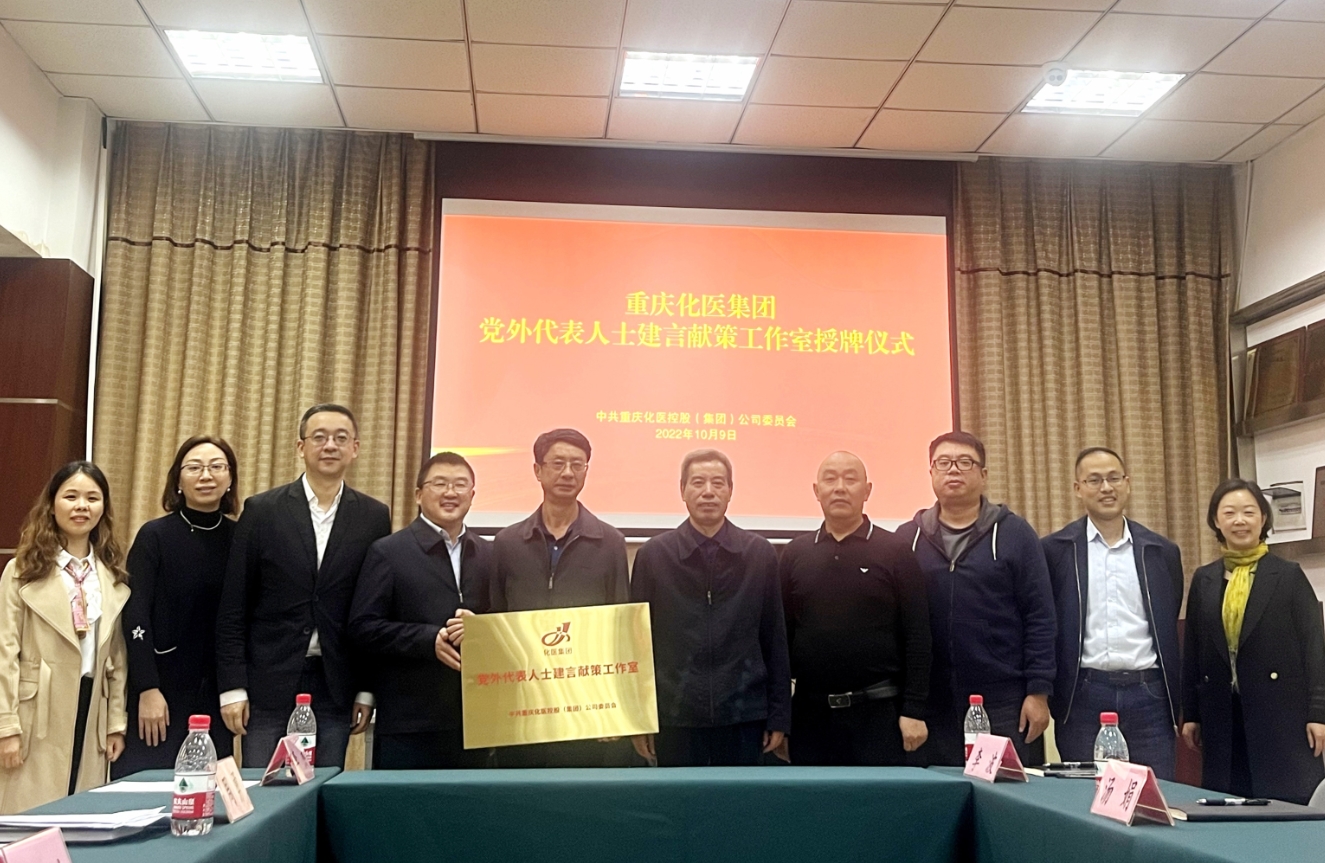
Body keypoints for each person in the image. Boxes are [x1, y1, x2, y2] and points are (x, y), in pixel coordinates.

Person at [215, 404, 391, 769]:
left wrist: (366, 688)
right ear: (301, 447)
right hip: (268, 681)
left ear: (355, 448)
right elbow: (234, 605)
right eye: (320, 437)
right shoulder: (262, 510)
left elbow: (374, 608)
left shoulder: (373, 516)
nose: (330, 445)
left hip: (335, 684)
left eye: (340, 438)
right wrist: (232, 687)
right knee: (262, 788)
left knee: (321, 787)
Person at [898, 431, 1055, 768]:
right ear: (931, 473)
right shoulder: (907, 538)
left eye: (965, 462)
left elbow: (1040, 616)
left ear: (983, 475)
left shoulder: (1015, 534)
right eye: (944, 462)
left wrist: (1038, 692)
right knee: (937, 792)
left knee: (1001, 791)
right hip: (930, 702)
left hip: (1002, 700)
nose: (954, 470)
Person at [630, 450, 791, 766]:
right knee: (679, 798)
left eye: (718, 483)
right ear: (682, 490)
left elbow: (775, 639)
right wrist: (639, 717)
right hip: (674, 715)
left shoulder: (759, 554)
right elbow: (638, 644)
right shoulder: (654, 555)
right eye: (698, 482)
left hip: (744, 714)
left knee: (740, 797)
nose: (708, 492)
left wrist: (779, 715)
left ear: (730, 490)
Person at [487, 428, 629, 767]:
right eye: (558, 463)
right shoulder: (507, 543)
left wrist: (615, 706)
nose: (568, 473)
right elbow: (495, 621)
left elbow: (620, 626)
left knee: (578, 793)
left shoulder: (609, 542)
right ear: (538, 470)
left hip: (586, 705)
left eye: (577, 465)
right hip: (521, 703)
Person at [779, 451, 931, 766]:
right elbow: (781, 638)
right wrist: (781, 718)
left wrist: (914, 709)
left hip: (879, 715)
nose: (840, 487)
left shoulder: (895, 551)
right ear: (816, 490)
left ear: (867, 490)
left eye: (850, 479)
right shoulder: (795, 554)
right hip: (810, 717)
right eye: (830, 479)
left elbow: (918, 635)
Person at [1042, 447, 1184, 779]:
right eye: (1094, 480)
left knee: (1154, 795)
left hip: (1149, 697)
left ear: (1127, 483)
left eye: (1114, 478)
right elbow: (1046, 624)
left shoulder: (1161, 551)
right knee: (1087, 799)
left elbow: (1167, 617)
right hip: (1084, 696)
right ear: (1078, 488)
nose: (1106, 488)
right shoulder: (1054, 551)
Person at [1181, 478, 1325, 805]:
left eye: (1248, 512)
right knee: (1228, 805)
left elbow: (1315, 648)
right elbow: (1193, 651)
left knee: (1284, 806)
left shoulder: (1288, 575)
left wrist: (1319, 713)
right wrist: (1191, 713)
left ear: (1263, 518)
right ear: (1216, 521)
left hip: (1281, 716)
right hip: (1222, 715)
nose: (1240, 520)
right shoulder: (1205, 579)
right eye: (1229, 513)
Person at [0, 461, 129, 813]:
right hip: (35, 710)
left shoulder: (111, 575)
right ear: (52, 504)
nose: (81, 506)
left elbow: (116, 659)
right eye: (71, 496)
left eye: (92, 498)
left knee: (79, 815)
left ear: (103, 508)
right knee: (28, 817)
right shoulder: (21, 571)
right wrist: (6, 727)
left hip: (91, 707)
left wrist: (115, 723)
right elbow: (5, 651)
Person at [349, 452, 492, 769]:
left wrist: (482, 626)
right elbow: (363, 627)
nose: (450, 492)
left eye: (460, 484)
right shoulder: (388, 552)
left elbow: (504, 620)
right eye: (439, 484)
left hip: (476, 719)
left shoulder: (489, 553)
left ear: (472, 494)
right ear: (418, 494)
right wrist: (428, 639)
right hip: (409, 721)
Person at [115, 436, 240, 778]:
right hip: (161, 691)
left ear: (230, 479)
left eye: (217, 467)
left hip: (216, 692)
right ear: (178, 480)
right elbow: (136, 614)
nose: (206, 475)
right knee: (148, 788)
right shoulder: (154, 536)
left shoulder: (241, 537)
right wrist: (147, 688)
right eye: (194, 467)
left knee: (207, 791)